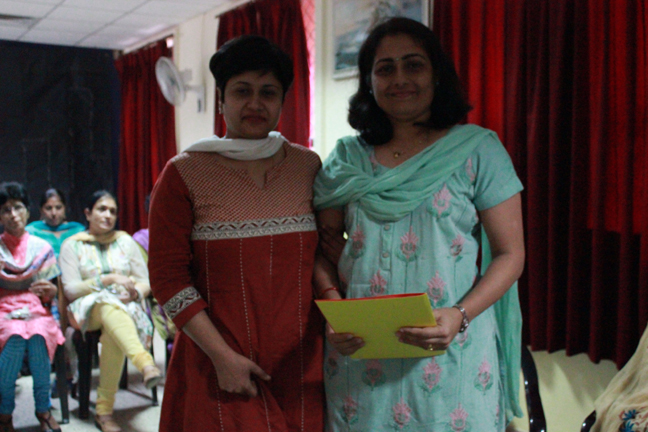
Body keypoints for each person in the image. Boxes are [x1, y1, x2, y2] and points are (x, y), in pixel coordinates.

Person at [313, 17, 526, 431]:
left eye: (413, 65)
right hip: (362, 361)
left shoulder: (478, 150)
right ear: (369, 82)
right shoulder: (347, 159)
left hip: (452, 357)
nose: (399, 79)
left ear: (436, 74)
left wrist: (459, 314)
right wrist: (334, 308)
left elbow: (510, 254)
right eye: (385, 69)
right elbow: (322, 250)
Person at [148, 35, 324, 431]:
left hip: (301, 365)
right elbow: (167, 277)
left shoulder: (307, 167)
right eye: (242, 91)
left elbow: (323, 256)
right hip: (218, 364)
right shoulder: (184, 173)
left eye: (268, 93)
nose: (255, 103)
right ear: (221, 100)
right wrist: (221, 357)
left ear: (283, 101)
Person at [59, 190, 161, 432]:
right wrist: (108, 279)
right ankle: (144, 362)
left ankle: (104, 414)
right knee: (107, 304)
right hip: (85, 310)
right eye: (102, 209)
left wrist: (135, 293)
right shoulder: (72, 245)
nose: (108, 215)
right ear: (88, 213)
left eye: (113, 211)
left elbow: (144, 281)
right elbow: (71, 289)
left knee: (113, 332)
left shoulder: (126, 241)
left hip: (124, 307)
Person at [0, 181, 64, 432]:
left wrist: (50, 292)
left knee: (39, 336)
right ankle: (5, 412)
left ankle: (43, 409)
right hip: (3, 310)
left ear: (28, 211)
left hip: (35, 309)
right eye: (6, 210)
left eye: (18, 207)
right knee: (15, 337)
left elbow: (51, 294)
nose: (13, 215)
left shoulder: (42, 248)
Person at [26, 188, 85, 392]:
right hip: (45, 288)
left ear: (65, 208)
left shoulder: (77, 230)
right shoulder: (32, 231)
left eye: (58, 207)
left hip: (74, 285)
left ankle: (74, 373)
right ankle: (60, 372)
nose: (53, 213)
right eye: (48, 208)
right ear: (41, 210)